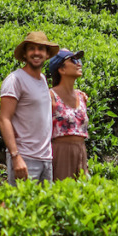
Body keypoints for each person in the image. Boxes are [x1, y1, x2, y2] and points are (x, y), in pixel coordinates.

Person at [0, 30, 59, 184]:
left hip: (46, 158)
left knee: (43, 207)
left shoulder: (43, 80)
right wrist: (15, 156)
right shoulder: (15, 80)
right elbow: (4, 119)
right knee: (19, 206)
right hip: (25, 158)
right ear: (25, 54)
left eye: (41, 49)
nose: (36, 53)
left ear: (47, 55)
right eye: (31, 48)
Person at [47, 48, 89, 181]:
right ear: (61, 69)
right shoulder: (50, 96)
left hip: (81, 151)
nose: (79, 63)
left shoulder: (81, 97)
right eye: (73, 60)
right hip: (60, 152)